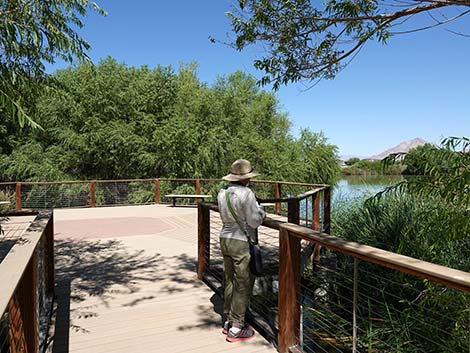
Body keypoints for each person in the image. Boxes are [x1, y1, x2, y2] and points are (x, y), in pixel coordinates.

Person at [217, 159, 266, 343]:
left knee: (229, 279)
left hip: (225, 238)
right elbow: (253, 221)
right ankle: (237, 327)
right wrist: (262, 212)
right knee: (243, 283)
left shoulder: (223, 192)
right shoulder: (246, 193)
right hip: (240, 242)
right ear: (246, 178)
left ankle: (228, 321)